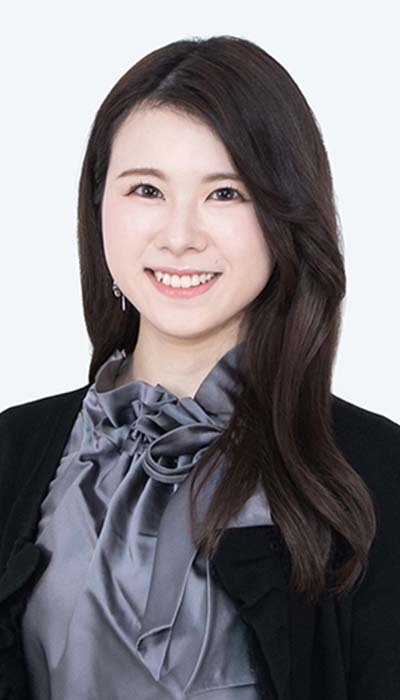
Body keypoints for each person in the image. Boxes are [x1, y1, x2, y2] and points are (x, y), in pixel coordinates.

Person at [0, 35, 399, 700]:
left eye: (226, 194)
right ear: (99, 206)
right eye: (147, 189)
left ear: (285, 213)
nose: (180, 236)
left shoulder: (378, 470)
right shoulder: (13, 451)